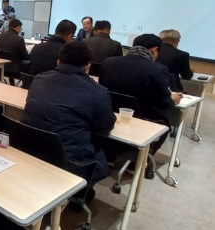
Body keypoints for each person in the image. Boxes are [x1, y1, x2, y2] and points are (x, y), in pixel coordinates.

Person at [22, 42, 116, 190]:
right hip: (71, 161)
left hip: (30, 147)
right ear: (88, 66)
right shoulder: (98, 92)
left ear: (58, 62)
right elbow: (105, 126)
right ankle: (80, 192)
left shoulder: (39, 79)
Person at [99, 34, 182, 156]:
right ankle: (140, 161)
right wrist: (172, 100)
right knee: (165, 124)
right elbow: (164, 103)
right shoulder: (158, 69)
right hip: (144, 117)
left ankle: (112, 154)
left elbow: (102, 88)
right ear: (154, 50)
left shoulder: (109, 62)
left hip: (110, 113)